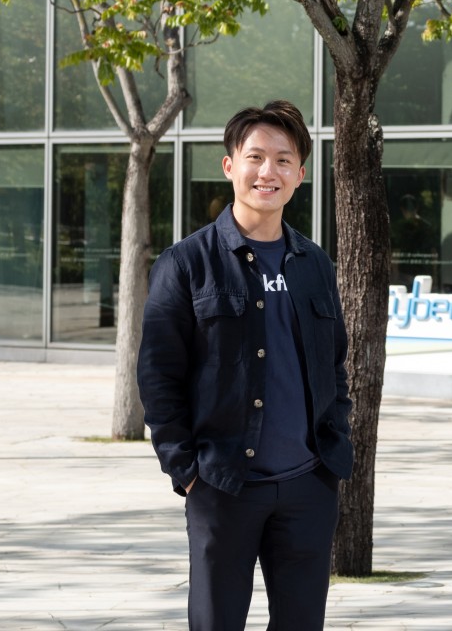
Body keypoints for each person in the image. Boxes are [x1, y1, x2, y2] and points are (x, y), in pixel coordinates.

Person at [136, 100, 354, 630]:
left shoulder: (315, 264)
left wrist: (332, 451)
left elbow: (335, 365)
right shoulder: (186, 263)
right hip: (221, 485)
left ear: (300, 174)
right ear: (230, 165)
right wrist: (186, 470)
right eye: (255, 157)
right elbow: (159, 376)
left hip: (308, 485)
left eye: (283, 160)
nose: (267, 172)